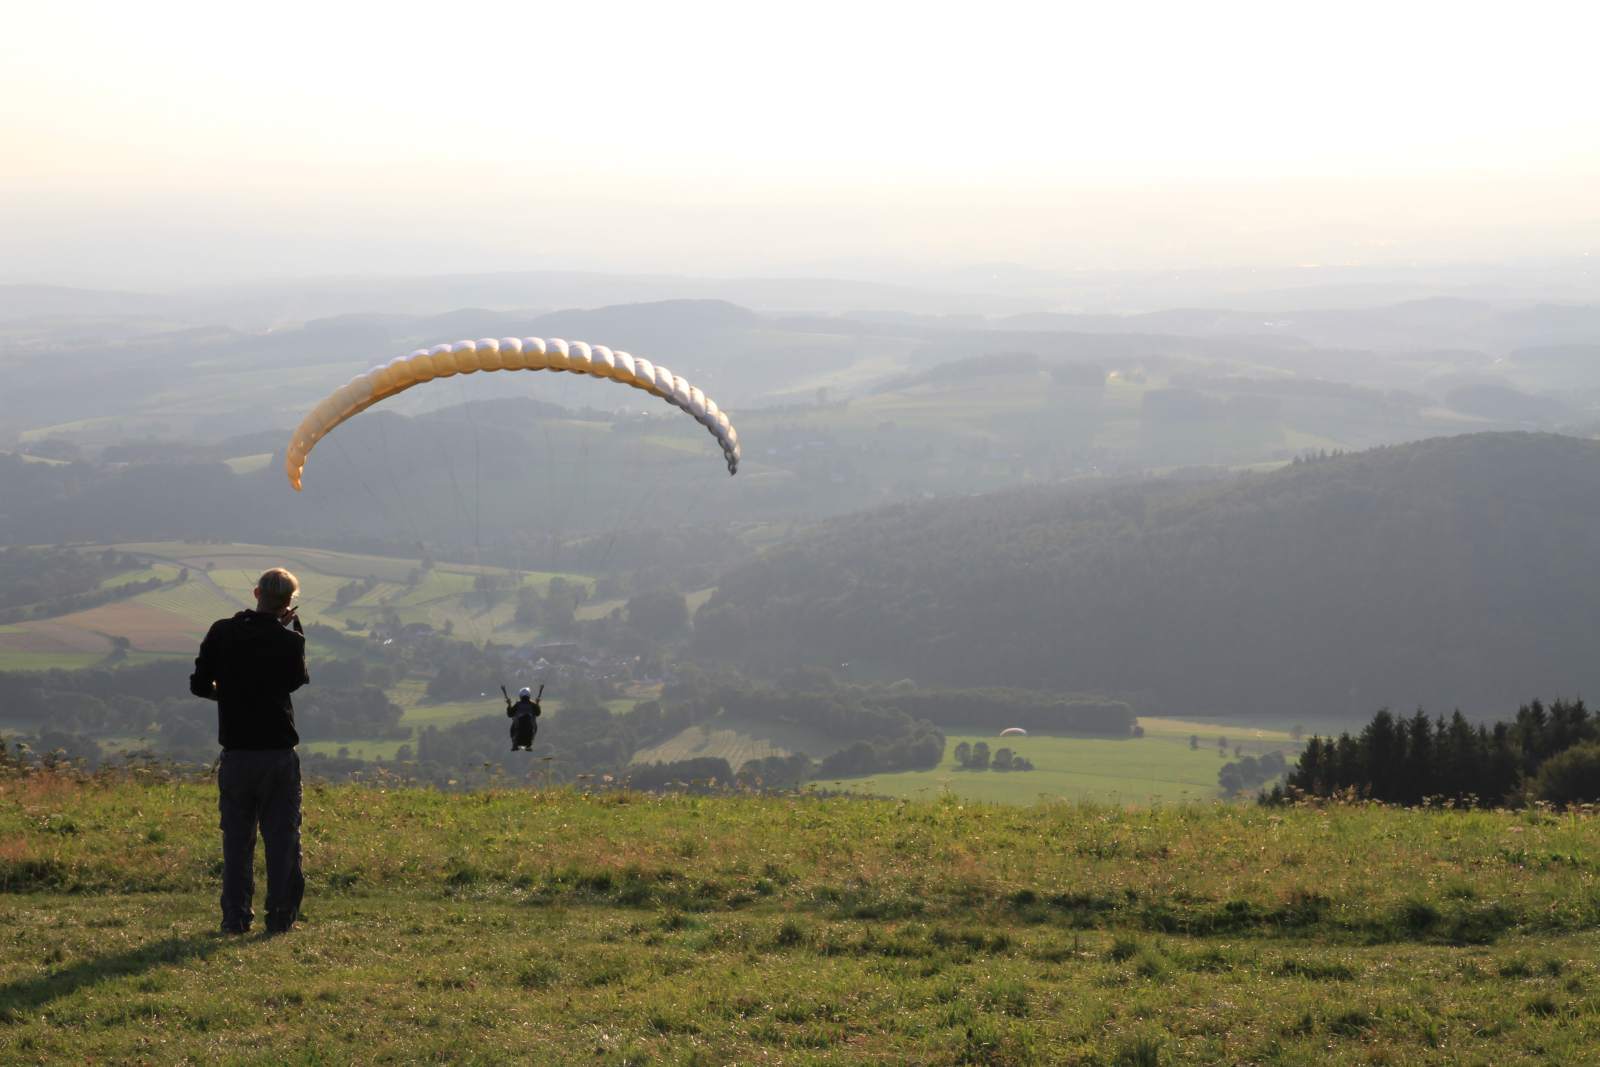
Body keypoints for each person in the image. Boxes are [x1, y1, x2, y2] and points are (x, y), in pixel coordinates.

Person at [189, 567, 310, 935]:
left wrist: (229, 695)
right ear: (289, 602)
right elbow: (295, 681)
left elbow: (199, 685)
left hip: (237, 751)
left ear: (257, 593)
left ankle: (235, 917)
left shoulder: (221, 632)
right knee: (282, 839)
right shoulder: (289, 642)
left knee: (237, 842)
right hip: (277, 753)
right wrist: (289, 632)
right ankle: (280, 917)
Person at [506, 686, 541, 751]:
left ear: (520, 696)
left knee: (513, 725)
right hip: (530, 729)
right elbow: (538, 713)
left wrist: (509, 704)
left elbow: (510, 714)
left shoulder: (517, 704)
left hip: (518, 727)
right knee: (534, 726)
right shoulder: (533, 704)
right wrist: (537, 704)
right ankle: (529, 745)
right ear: (529, 696)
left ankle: (514, 744)